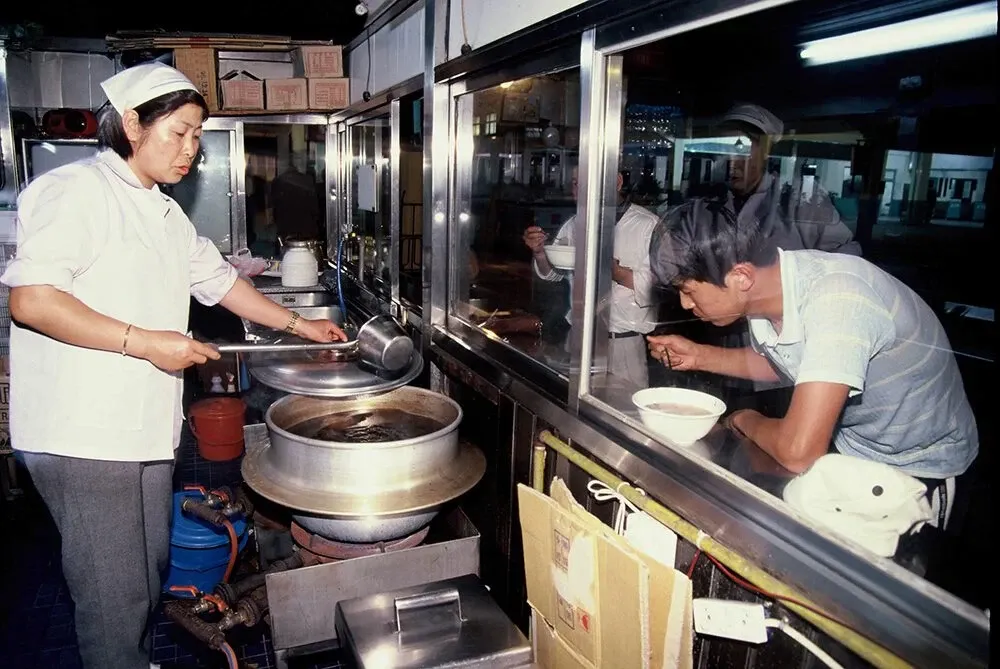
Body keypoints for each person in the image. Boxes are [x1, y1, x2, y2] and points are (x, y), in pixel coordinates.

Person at [0, 62, 347, 669]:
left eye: (197, 137)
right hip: (82, 432)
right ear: (132, 123)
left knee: (149, 569)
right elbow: (33, 301)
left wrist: (300, 325)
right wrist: (145, 341)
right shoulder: (76, 190)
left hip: (139, 425)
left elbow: (219, 284)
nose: (191, 151)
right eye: (179, 133)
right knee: (115, 596)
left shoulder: (161, 210)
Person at [645, 195, 978, 529]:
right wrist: (698, 355)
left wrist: (746, 419)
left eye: (688, 290)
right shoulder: (772, 292)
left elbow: (799, 450)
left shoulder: (838, 300)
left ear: (741, 277)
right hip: (855, 450)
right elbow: (784, 364)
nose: (685, 304)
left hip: (918, 468)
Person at [523, 167, 659, 388]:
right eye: (575, 184)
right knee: (573, 406)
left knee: (621, 413)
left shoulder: (647, 226)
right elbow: (554, 274)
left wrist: (617, 274)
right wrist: (540, 253)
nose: (576, 192)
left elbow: (660, 288)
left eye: (584, 183)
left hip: (623, 344)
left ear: (616, 182)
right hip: (578, 338)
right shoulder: (575, 224)